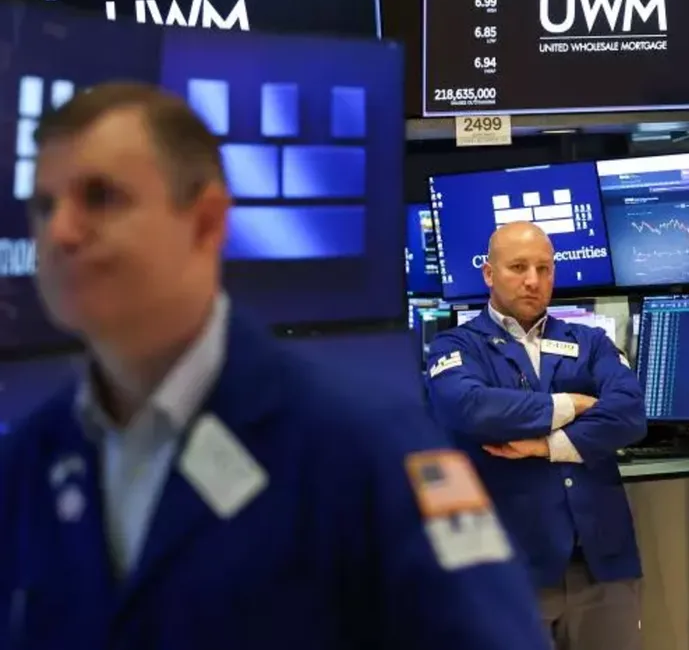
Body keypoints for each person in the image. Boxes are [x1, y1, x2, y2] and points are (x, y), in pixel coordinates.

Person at [0, 82, 552, 650]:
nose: (60, 231)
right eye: (44, 206)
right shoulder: (26, 466)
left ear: (206, 221)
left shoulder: (365, 447)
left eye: (100, 197)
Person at [425, 221, 648, 650]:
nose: (533, 280)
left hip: (603, 564)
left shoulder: (590, 342)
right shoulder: (456, 346)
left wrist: (546, 446)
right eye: (519, 267)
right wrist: (570, 404)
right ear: (489, 273)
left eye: (544, 269)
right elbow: (471, 408)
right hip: (511, 570)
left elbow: (630, 413)